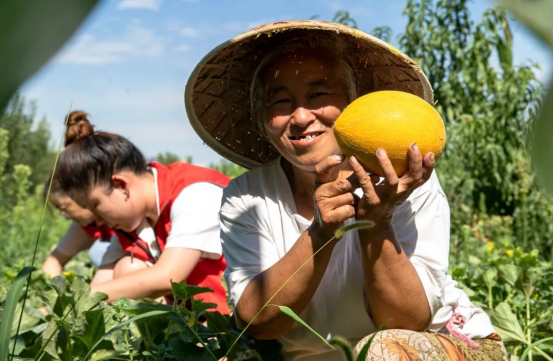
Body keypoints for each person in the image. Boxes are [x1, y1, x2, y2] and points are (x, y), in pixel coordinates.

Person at [185, 21, 507, 360]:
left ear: (353, 104)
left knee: (382, 351)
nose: (299, 116)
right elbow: (259, 323)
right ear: (263, 119)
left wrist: (377, 222)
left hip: (442, 345)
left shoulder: (401, 180)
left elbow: (407, 321)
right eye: (280, 101)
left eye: (318, 95)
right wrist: (322, 232)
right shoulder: (247, 196)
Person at [54, 112, 231, 314]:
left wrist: (75, 301)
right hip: (195, 317)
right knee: (126, 268)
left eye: (96, 206)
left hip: (240, 320)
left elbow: (168, 277)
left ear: (121, 185)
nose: (99, 221)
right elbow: (104, 280)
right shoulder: (135, 219)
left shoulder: (194, 192)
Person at [41, 169, 116, 281]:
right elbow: (55, 260)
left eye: (64, 208)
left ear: (80, 195)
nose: (66, 216)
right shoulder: (87, 224)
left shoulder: (123, 217)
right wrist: (53, 291)